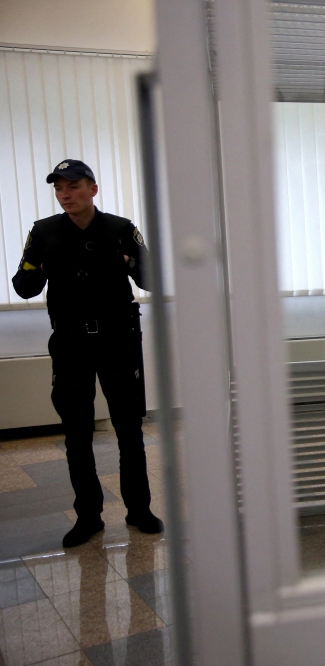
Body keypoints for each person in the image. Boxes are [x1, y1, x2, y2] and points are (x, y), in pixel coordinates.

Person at [12, 159, 163, 548]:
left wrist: (129, 262)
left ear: (92, 189)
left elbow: (152, 278)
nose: (65, 194)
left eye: (74, 186)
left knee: (129, 430)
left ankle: (139, 510)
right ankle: (89, 516)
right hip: (71, 345)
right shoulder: (43, 232)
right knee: (76, 435)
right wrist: (40, 268)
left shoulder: (121, 229)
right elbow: (23, 286)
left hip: (118, 343)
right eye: (59, 188)